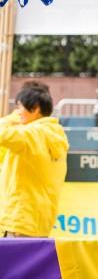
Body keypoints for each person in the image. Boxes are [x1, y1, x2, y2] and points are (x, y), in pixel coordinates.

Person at [0, 81, 69, 237]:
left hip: (20, 219)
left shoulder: (31, 134)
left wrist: (10, 119)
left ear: (36, 108)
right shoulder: (54, 133)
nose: (16, 112)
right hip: (39, 220)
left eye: (19, 107)